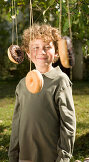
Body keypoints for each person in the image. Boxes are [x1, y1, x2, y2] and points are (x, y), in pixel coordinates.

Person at [8, 23, 76, 162]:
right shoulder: (22, 84)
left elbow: (68, 123)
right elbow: (17, 122)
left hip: (50, 156)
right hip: (25, 156)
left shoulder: (60, 81)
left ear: (57, 52)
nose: (42, 52)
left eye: (47, 47)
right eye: (36, 47)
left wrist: (63, 157)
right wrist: (13, 154)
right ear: (27, 52)